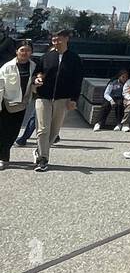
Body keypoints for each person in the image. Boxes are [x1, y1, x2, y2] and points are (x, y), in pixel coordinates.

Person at [33, 29, 84, 172]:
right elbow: (37, 72)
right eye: (54, 39)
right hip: (43, 97)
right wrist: (36, 79)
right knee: (43, 129)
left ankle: (40, 151)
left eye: (59, 39)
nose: (56, 42)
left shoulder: (74, 59)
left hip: (63, 98)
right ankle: (43, 159)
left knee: (54, 131)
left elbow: (77, 81)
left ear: (67, 39)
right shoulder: (46, 57)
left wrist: (74, 99)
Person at [0, 40, 37, 168]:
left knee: (13, 132)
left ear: (31, 52)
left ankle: (4, 154)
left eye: (28, 50)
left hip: (21, 104)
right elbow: (0, 86)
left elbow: (34, 82)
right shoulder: (7, 67)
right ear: (16, 51)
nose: (25, 53)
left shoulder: (33, 66)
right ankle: (3, 157)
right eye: (22, 50)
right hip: (6, 103)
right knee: (3, 131)